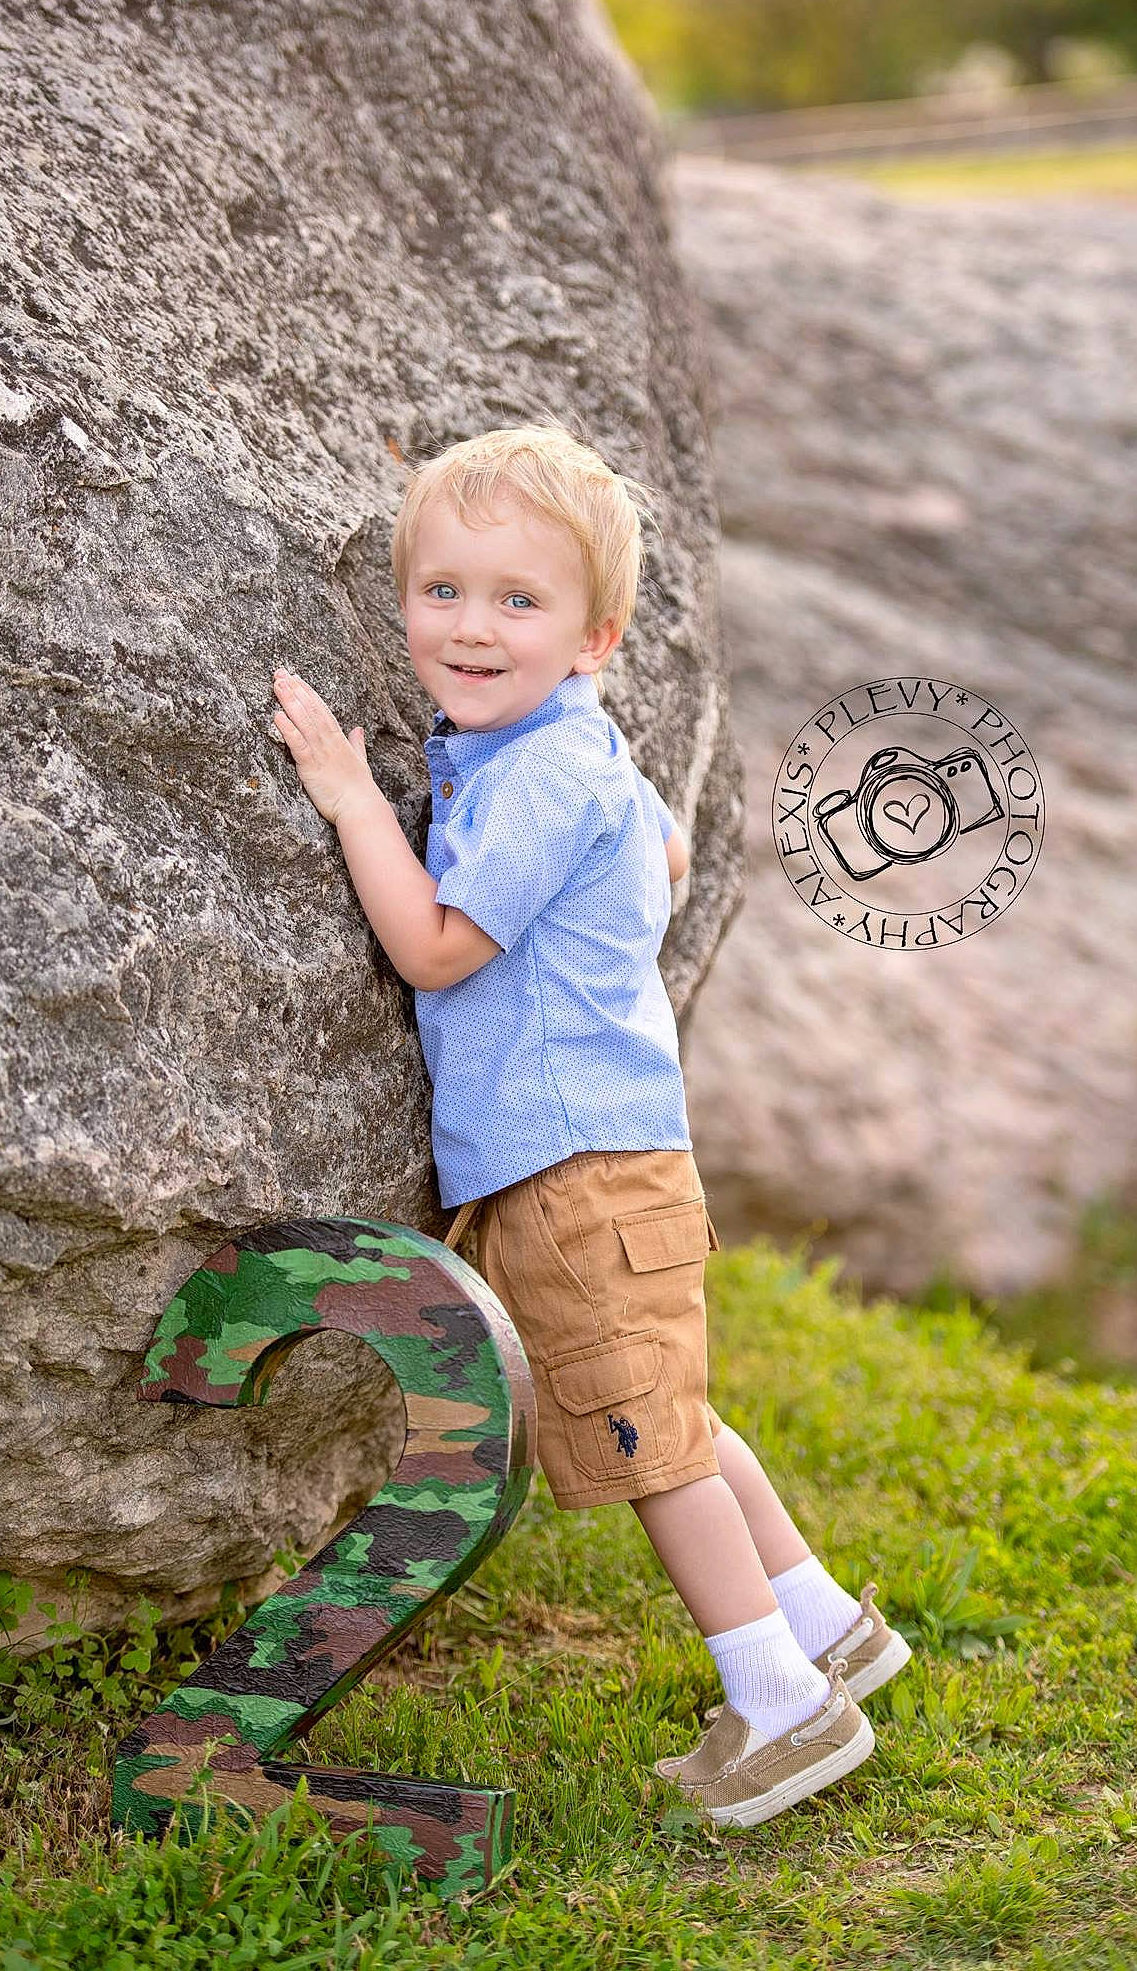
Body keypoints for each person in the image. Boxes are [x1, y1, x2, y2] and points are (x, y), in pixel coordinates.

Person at [268, 420, 910, 1829]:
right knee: (667, 1408)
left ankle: (779, 1707)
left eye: (518, 601)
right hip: (607, 1149)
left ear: (594, 636)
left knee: (644, 1443)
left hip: (572, 1166)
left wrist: (343, 798)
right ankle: (821, 1626)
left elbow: (438, 949)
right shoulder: (569, 756)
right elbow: (664, 855)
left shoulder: (547, 774)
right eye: (441, 590)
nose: (472, 626)